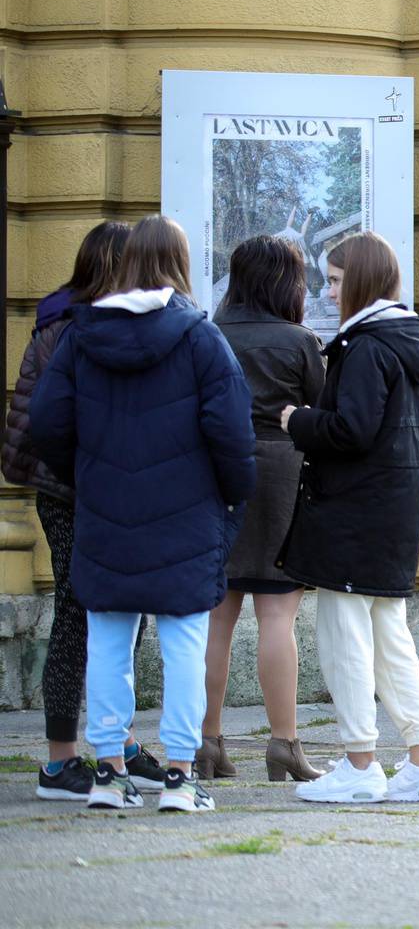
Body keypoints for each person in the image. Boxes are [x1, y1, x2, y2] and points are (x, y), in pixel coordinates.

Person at [29, 216, 254, 813]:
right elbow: (232, 434)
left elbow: (46, 424)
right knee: (183, 643)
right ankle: (180, 775)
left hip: (105, 509)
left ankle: (106, 773)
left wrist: (88, 472)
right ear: (180, 264)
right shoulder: (201, 338)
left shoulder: (80, 335)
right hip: (187, 513)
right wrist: (233, 497)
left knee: (107, 640)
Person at [279, 231, 419, 804]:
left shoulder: (366, 346)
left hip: (353, 512)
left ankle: (359, 764)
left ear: (359, 280)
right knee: (389, 636)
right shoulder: (403, 340)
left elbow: (350, 430)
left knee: (344, 637)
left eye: (334, 280)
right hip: (392, 510)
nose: (327, 293)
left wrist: (297, 420)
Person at [3, 220, 141, 802]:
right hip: (76, 493)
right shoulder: (74, 328)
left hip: (75, 490)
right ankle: (62, 762)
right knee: (81, 614)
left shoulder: (62, 320)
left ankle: (113, 746)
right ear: (116, 267)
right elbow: (51, 422)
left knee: (111, 616)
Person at [203, 235, 325, 783]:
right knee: (278, 617)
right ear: (287, 282)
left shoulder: (209, 332)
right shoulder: (301, 340)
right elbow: (323, 417)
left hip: (215, 477)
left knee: (215, 617)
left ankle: (205, 744)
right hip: (282, 478)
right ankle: (284, 745)